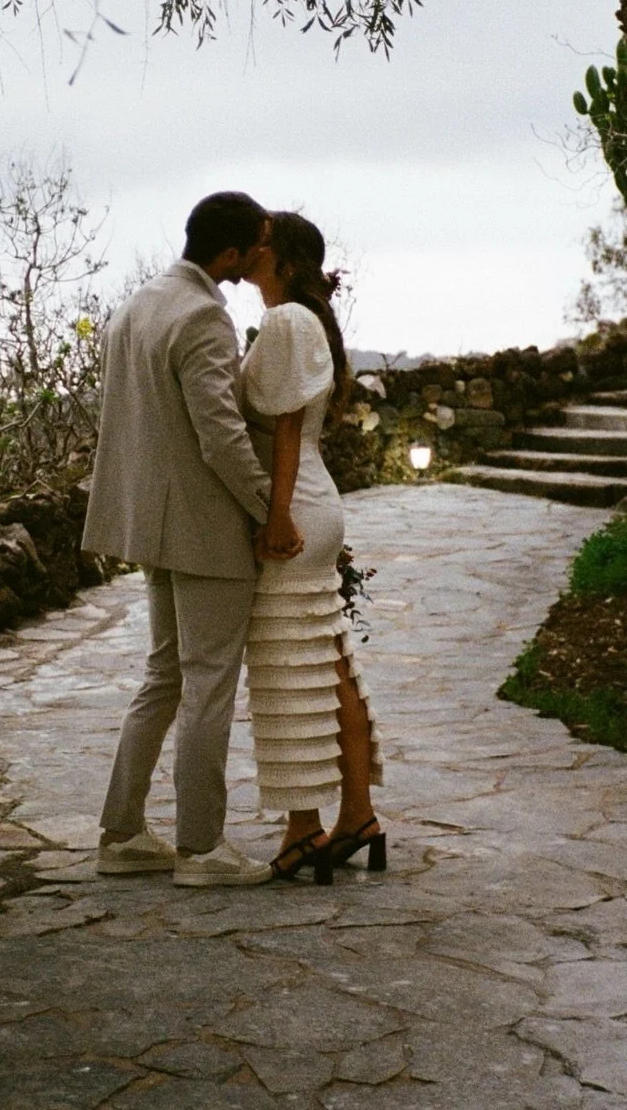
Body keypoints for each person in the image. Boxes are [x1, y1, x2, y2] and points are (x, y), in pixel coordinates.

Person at [82, 191, 294, 887]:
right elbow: (220, 436)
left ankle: (121, 834)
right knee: (207, 684)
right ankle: (201, 848)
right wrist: (270, 511)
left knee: (164, 676)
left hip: (151, 524)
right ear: (230, 254)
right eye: (257, 245)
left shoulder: (139, 302)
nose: (262, 255)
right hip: (203, 529)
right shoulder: (204, 316)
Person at [242, 211, 384, 883]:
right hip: (307, 499)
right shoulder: (301, 321)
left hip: (293, 505)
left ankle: (305, 827)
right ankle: (356, 815)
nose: (252, 244)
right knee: (325, 660)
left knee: (289, 670)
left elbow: (288, 429)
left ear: (285, 257)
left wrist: (276, 517)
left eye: (263, 239)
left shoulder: (286, 323)